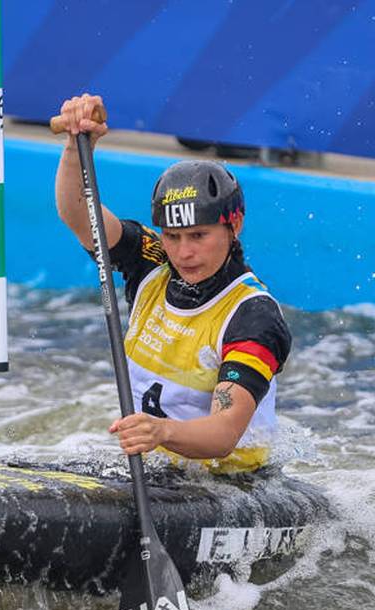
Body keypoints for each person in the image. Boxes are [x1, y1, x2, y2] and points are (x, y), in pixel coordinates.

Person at [53, 93, 291, 474]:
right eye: (173, 236)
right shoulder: (152, 262)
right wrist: (75, 146)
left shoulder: (253, 317)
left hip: (232, 486)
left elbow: (224, 433)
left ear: (234, 225)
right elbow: (80, 216)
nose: (183, 253)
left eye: (199, 236)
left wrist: (161, 432)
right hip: (157, 469)